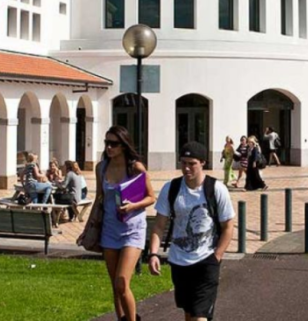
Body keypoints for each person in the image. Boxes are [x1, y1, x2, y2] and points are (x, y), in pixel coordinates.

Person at [149, 142, 236, 321]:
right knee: (189, 314)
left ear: (202, 162)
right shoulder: (171, 188)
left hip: (206, 261)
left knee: (199, 316)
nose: (186, 168)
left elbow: (228, 226)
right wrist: (153, 254)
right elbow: (159, 225)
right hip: (179, 261)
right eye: (183, 163)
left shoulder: (216, 189)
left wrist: (216, 256)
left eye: (192, 163)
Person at [98, 126, 156, 321]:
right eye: (107, 143)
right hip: (109, 229)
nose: (109, 148)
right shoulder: (102, 167)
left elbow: (151, 197)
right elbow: (100, 198)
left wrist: (133, 206)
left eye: (113, 144)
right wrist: (88, 227)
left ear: (123, 146)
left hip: (133, 230)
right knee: (115, 286)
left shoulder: (136, 168)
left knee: (122, 282)